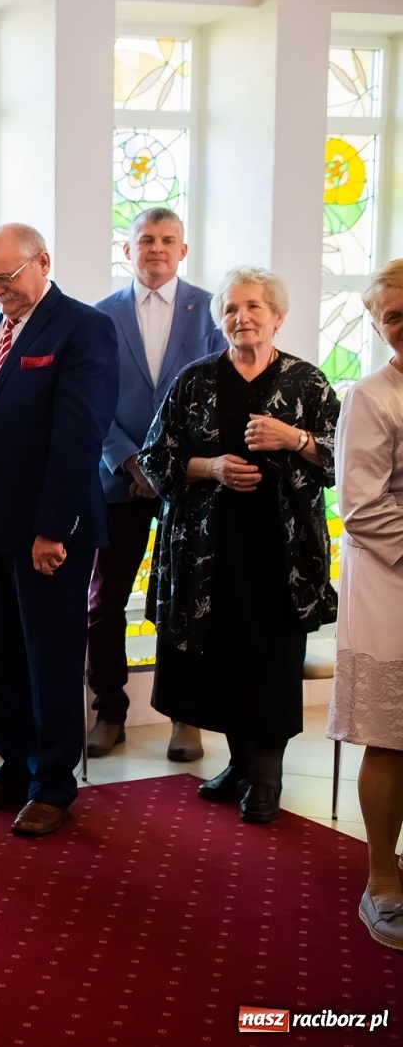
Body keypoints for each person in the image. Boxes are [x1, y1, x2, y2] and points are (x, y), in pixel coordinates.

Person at [0, 223, 118, 838]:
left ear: (43, 261)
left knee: (52, 660)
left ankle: (53, 785)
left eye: (6, 279)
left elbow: (78, 437)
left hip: (50, 529)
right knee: (5, 660)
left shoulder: (84, 327)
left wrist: (52, 530)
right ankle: (14, 768)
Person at [138, 266, 338, 826]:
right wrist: (210, 467)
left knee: (271, 660)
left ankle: (267, 774)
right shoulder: (195, 379)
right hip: (206, 551)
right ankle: (239, 763)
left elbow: (340, 457)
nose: (241, 317)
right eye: (230, 308)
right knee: (218, 656)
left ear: (277, 316)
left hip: (282, 552)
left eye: (253, 307)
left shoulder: (308, 383)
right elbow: (155, 460)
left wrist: (292, 439)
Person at [88, 208, 226, 761]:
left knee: (184, 602)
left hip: (189, 486)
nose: (157, 249)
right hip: (118, 483)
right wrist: (130, 462)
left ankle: (184, 718)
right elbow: (90, 404)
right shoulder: (100, 318)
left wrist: (170, 466)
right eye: (146, 239)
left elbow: (218, 400)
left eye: (168, 240)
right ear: (128, 250)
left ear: (183, 250)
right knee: (103, 603)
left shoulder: (211, 311)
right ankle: (110, 711)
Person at [328, 259, 403, 949]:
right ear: (380, 327)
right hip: (392, 580)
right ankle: (383, 878)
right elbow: (360, 507)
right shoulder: (372, 396)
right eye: (395, 317)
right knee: (391, 736)